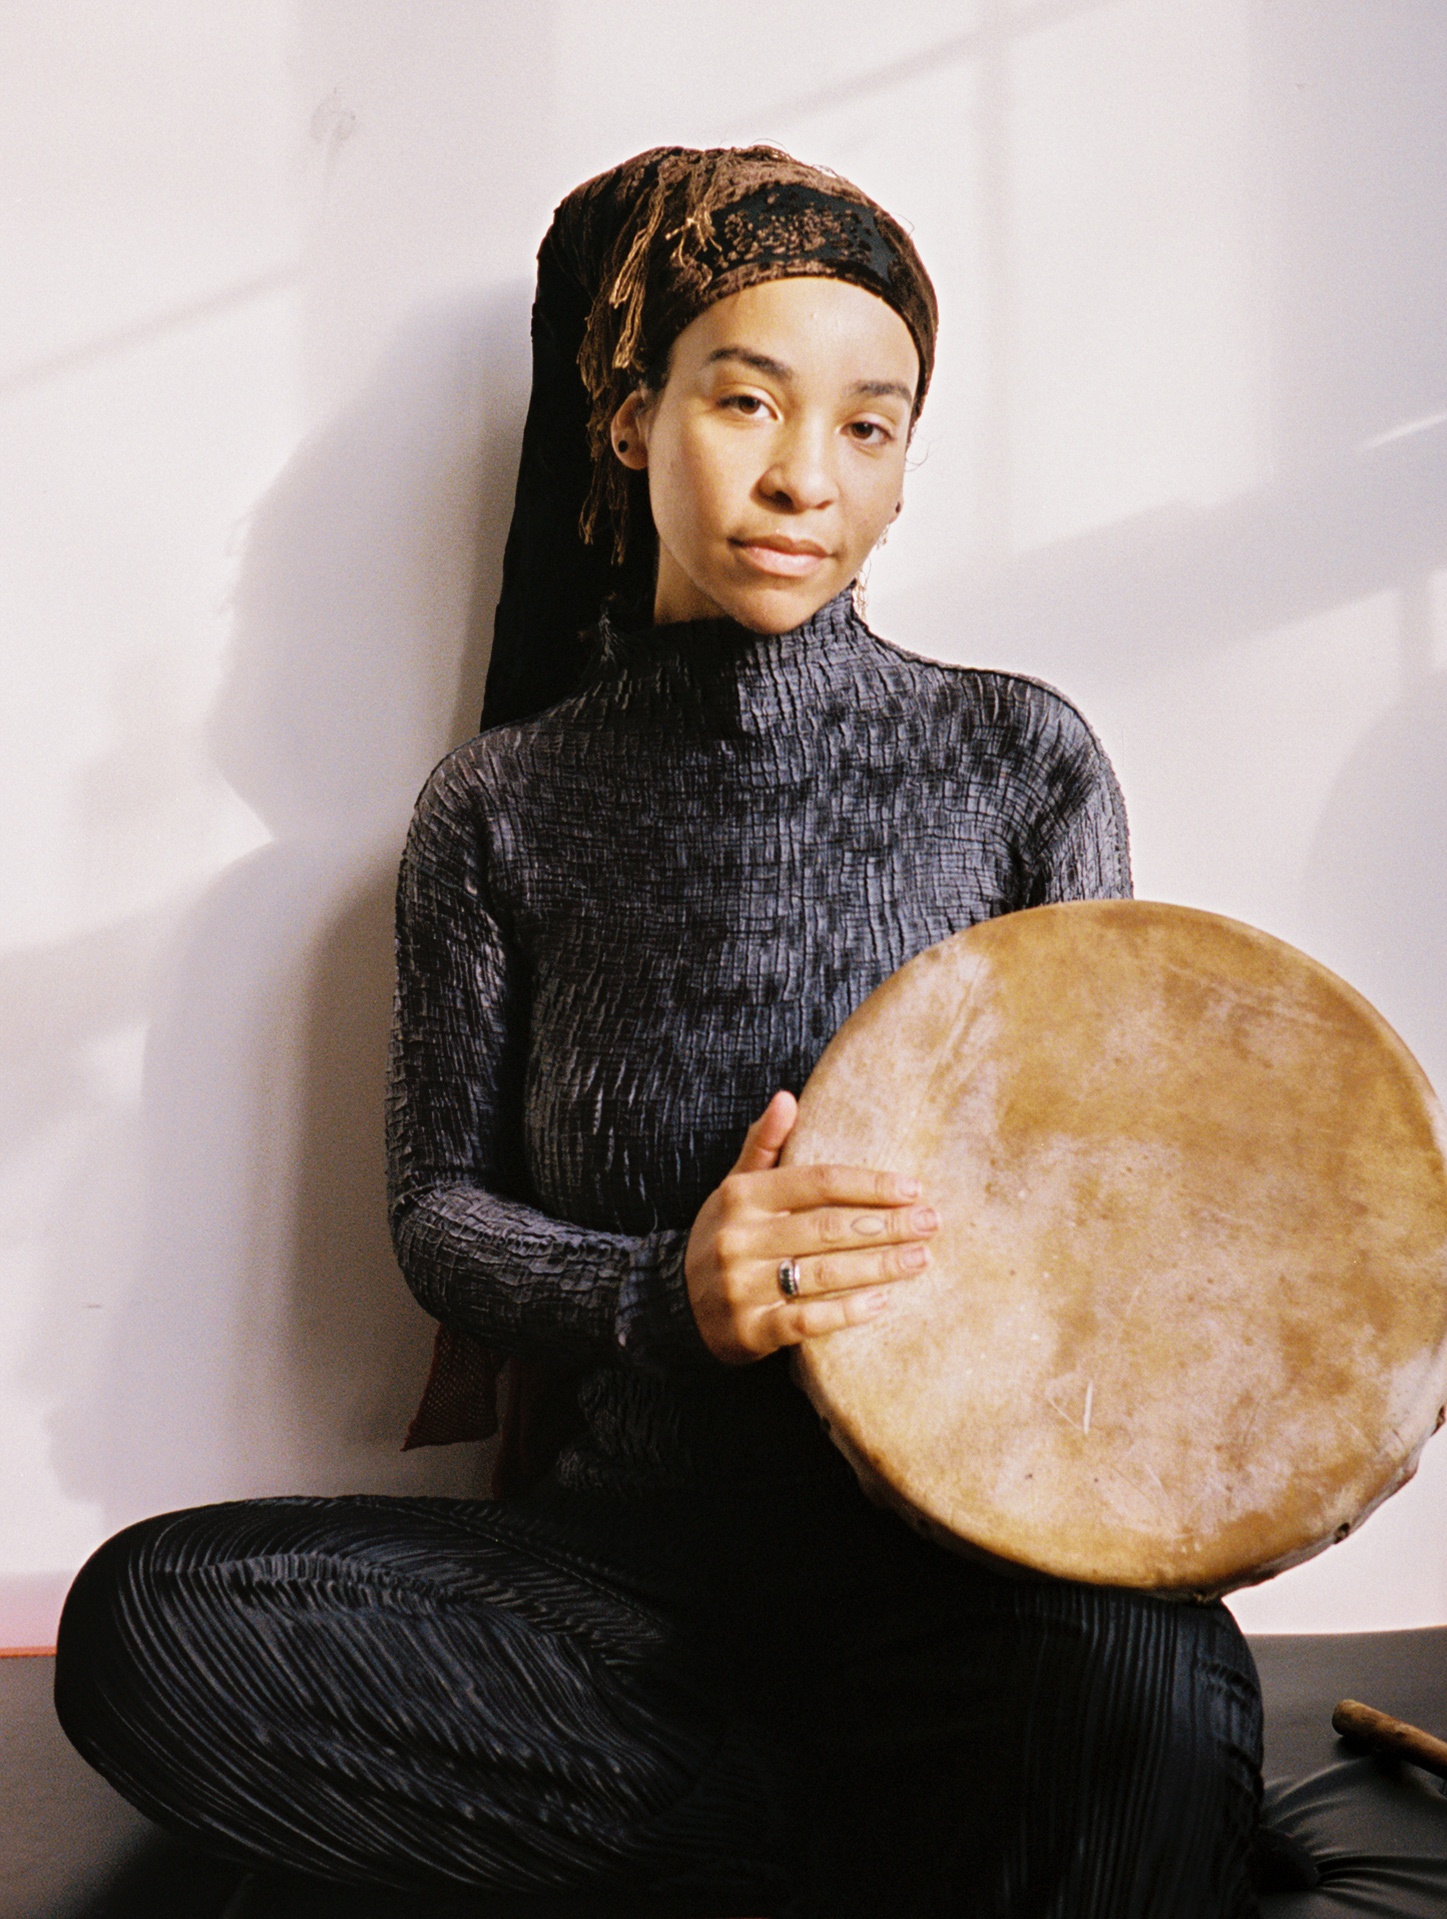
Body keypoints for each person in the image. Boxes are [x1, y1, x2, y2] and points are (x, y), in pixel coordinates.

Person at [54, 146, 1265, 1917]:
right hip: (630, 1588)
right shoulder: (502, 806)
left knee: (1145, 1690)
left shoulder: (1025, 761)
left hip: (969, 1575)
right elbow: (436, 1219)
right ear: (631, 420)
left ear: (910, 470)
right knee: (147, 1625)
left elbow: (1101, 1206)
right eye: (747, 399)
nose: (802, 476)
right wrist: (662, 1294)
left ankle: (810, 1834)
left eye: (871, 425)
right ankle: (895, 1847)